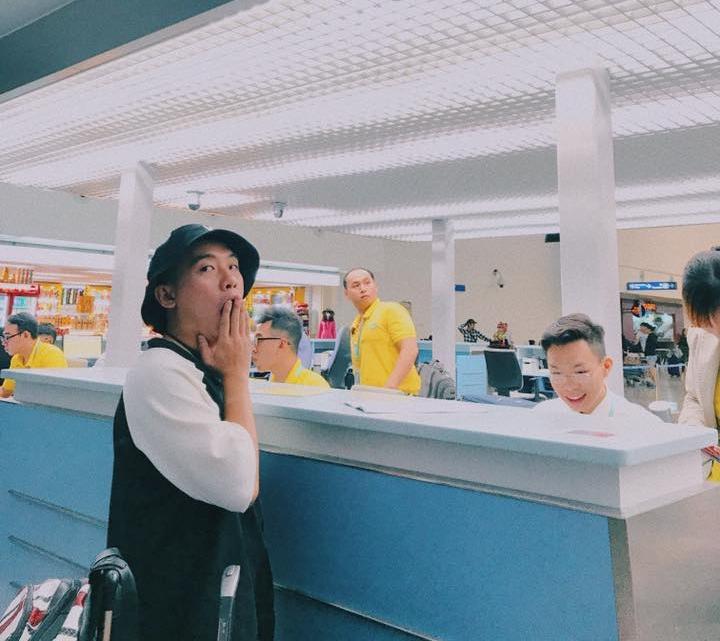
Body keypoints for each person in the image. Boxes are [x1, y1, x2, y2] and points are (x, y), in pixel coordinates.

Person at [106, 224, 274, 641]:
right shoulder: (159, 373)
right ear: (167, 296)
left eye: (234, 267)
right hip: (175, 608)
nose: (230, 279)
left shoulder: (198, 370)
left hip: (206, 595)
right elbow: (240, 486)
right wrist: (237, 375)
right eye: (207, 268)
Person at [533, 313, 661, 421]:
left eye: (580, 372)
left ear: (606, 367)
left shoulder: (640, 424)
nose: (569, 386)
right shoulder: (542, 417)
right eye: (556, 373)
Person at [344, 267, 421, 395]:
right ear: (346, 293)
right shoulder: (356, 324)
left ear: (376, 286)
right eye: (356, 285)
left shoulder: (391, 310)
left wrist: (389, 389)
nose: (363, 289)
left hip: (398, 395)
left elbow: (410, 350)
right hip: (370, 395)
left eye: (367, 283)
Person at [253, 305, 329, 388]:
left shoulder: (315, 387)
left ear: (281, 344)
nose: (253, 348)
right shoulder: (273, 383)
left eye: (259, 340)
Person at [0, 312, 68, 398]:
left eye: (7, 337)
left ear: (25, 335)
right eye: (3, 338)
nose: (4, 343)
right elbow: (6, 391)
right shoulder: (17, 358)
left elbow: (54, 396)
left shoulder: (52, 354)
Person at [637, 321, 658, 385]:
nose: (643, 331)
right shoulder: (650, 335)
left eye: (644, 329)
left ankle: (655, 382)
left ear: (647, 329)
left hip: (651, 355)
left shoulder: (652, 336)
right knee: (650, 369)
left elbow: (652, 345)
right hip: (649, 355)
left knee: (652, 369)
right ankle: (652, 382)